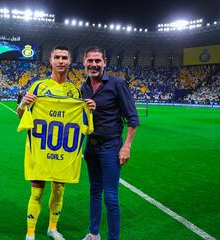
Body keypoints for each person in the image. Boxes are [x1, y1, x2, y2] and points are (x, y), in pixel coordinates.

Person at [17, 45, 96, 240]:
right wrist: (22, 104)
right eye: (57, 57)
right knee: (36, 193)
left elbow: (82, 123)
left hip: (63, 151)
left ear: (70, 62)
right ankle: (30, 233)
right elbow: (21, 116)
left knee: (59, 191)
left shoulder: (75, 92)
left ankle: (52, 228)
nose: (61, 61)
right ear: (51, 61)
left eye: (64, 58)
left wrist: (90, 108)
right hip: (40, 149)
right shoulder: (38, 86)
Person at [80, 46, 139, 240]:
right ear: (84, 63)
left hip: (111, 146)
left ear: (104, 62)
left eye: (98, 61)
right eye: (90, 61)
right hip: (91, 147)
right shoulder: (84, 87)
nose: (94, 65)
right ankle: (93, 233)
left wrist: (127, 146)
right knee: (94, 191)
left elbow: (133, 118)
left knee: (111, 197)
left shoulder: (117, 83)